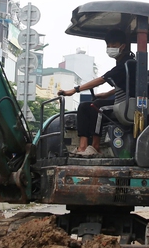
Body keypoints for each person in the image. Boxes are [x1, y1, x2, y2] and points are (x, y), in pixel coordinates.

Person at [58, 29, 136, 157]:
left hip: (129, 104)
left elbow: (101, 80)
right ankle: (82, 147)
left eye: (114, 46)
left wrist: (74, 90)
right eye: (108, 46)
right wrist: (106, 94)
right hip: (120, 101)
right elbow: (125, 86)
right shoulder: (121, 63)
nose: (110, 48)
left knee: (98, 106)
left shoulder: (128, 64)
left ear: (123, 46)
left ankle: (95, 147)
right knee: (84, 106)